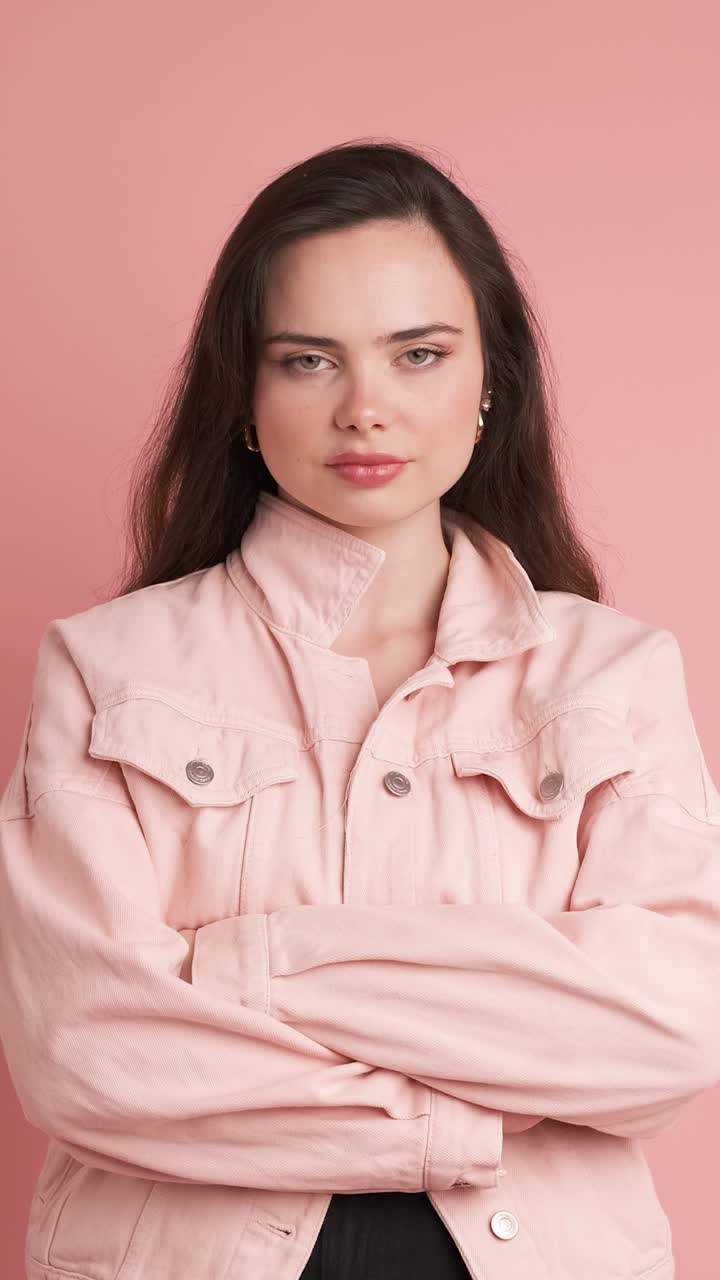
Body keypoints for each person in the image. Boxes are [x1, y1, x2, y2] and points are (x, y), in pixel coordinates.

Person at [0, 139, 718, 1280]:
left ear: (490, 381)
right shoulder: (106, 667)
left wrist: (250, 967)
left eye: (418, 353)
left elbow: (671, 1025)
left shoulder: (610, 674)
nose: (366, 408)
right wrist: (463, 1112)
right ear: (244, 390)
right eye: (308, 359)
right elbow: (87, 1051)